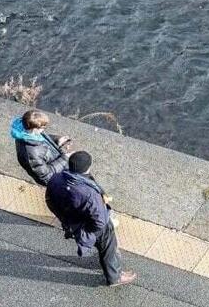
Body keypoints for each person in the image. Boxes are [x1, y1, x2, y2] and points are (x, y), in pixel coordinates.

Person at [46, 152, 136, 287]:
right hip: (91, 225)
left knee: (102, 245)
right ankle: (114, 277)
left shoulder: (56, 179)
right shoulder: (89, 193)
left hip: (71, 221)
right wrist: (92, 227)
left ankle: (102, 254)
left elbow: (49, 200)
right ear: (88, 168)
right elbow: (100, 221)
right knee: (108, 246)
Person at [11, 110, 71, 185]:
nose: (44, 129)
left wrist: (57, 140)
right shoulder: (31, 154)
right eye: (43, 127)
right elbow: (46, 177)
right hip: (57, 179)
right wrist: (65, 158)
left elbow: (42, 140)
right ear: (35, 129)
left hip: (59, 166)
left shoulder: (28, 132)